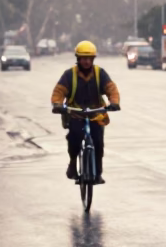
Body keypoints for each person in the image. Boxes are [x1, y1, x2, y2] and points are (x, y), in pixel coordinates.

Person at [51, 41, 120, 182]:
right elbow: (59, 91)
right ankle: (72, 164)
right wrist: (58, 104)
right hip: (76, 114)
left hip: (96, 114)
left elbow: (111, 89)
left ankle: (98, 174)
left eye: (89, 58)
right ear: (78, 58)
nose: (87, 61)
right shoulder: (69, 75)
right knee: (74, 140)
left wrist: (114, 103)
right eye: (83, 58)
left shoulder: (100, 73)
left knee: (98, 143)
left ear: (93, 59)